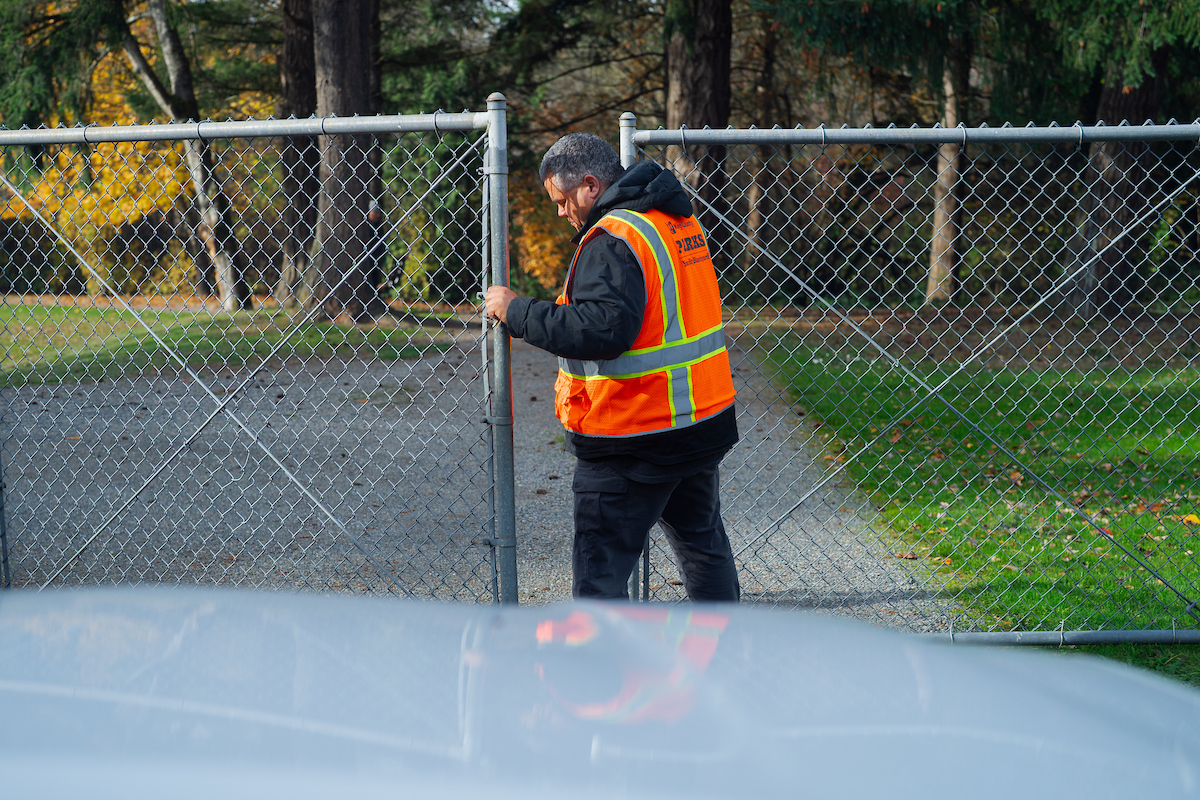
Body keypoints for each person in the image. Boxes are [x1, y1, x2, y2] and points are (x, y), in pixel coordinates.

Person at [485, 133, 740, 602]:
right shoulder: (672, 220)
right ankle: (722, 661)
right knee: (705, 552)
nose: (562, 213)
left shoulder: (612, 239)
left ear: (589, 185)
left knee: (600, 579)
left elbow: (601, 331)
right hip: (697, 423)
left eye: (562, 201)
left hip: (633, 436)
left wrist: (517, 310)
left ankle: (600, 672)